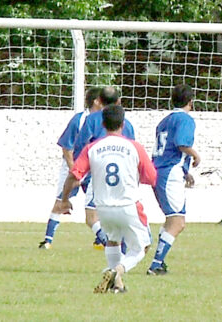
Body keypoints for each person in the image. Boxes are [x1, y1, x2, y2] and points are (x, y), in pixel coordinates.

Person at [60, 105, 156, 294]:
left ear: (103, 124)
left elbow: (74, 175)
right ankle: (116, 271)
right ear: (123, 124)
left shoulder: (92, 148)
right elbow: (151, 177)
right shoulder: (135, 147)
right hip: (129, 205)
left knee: (113, 240)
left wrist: (65, 199)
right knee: (141, 247)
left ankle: (117, 285)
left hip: (103, 207)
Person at [72, 86, 137, 250]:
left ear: (99, 101)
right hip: (123, 177)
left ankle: (109, 243)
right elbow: (133, 149)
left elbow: (80, 147)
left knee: (91, 217)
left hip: (99, 175)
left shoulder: (92, 120)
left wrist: (80, 171)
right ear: (119, 102)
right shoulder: (126, 124)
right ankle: (118, 247)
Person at [147, 84, 201, 275]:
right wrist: (195, 155)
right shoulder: (185, 119)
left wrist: (185, 172)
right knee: (178, 222)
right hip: (169, 173)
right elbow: (181, 143)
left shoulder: (164, 121)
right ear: (191, 102)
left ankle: (159, 263)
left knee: (171, 220)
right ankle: (155, 263)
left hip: (161, 171)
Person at [38, 87, 102, 249]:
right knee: (61, 201)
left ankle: (100, 238)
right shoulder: (79, 120)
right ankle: (48, 240)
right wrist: (75, 170)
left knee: (99, 204)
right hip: (74, 167)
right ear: (96, 101)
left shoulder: (103, 120)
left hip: (94, 169)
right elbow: (67, 147)